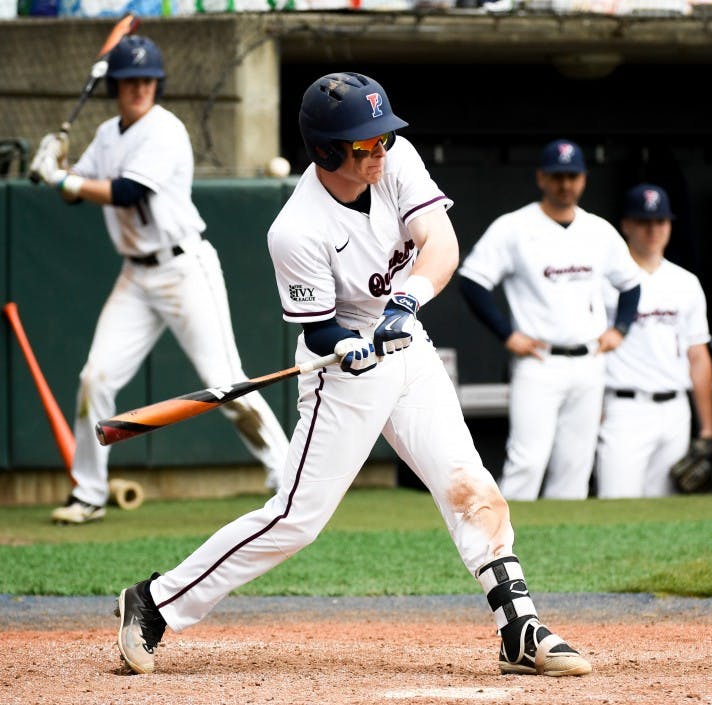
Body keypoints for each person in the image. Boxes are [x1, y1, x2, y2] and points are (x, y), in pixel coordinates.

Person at [112, 72, 592, 679]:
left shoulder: (395, 160)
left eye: (383, 137)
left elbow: (441, 243)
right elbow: (318, 330)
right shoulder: (295, 229)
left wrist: (407, 302)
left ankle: (518, 628)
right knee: (296, 519)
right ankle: (155, 602)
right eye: (365, 144)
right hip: (343, 371)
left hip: (405, 339)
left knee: (471, 485)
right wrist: (349, 345)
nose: (380, 151)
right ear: (326, 151)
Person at [28, 35, 289, 524]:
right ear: (116, 86)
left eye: (147, 79)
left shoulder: (166, 129)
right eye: (130, 80)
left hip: (183, 267)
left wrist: (63, 179)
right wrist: (54, 165)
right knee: (94, 378)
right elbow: (75, 191)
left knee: (224, 382)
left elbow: (127, 192)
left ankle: (287, 474)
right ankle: (89, 492)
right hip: (135, 274)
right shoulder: (107, 134)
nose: (139, 88)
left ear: (158, 83)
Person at [457, 139, 643, 501]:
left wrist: (620, 329)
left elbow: (631, 283)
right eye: (558, 176)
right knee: (527, 460)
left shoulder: (598, 230)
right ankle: (506, 534)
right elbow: (472, 280)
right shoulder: (515, 226)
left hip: (589, 358)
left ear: (583, 179)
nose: (565, 184)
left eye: (572, 176)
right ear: (541, 177)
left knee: (575, 464)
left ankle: (564, 533)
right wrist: (506, 334)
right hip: (539, 360)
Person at [595, 183, 712, 497]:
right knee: (617, 507)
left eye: (660, 221)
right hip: (624, 407)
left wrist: (707, 429)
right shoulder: (604, 280)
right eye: (643, 221)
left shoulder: (686, 282)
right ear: (626, 225)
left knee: (667, 513)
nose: (653, 229)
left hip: (675, 408)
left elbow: (698, 356)